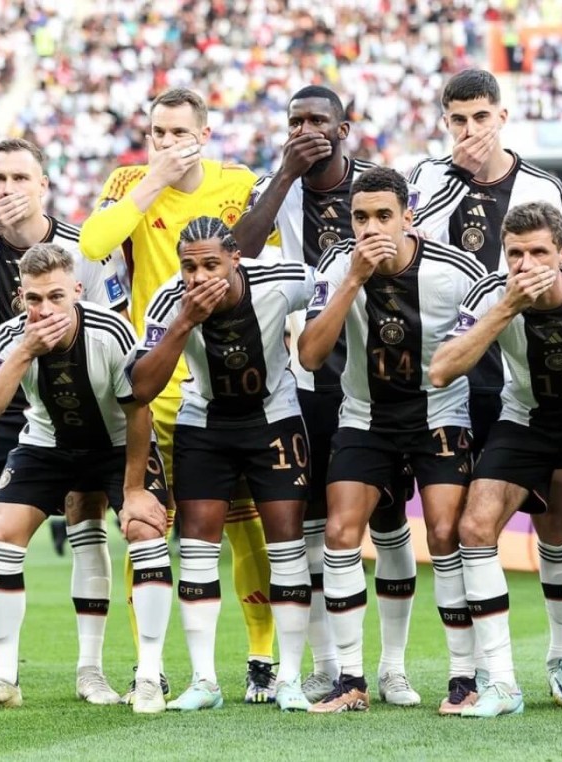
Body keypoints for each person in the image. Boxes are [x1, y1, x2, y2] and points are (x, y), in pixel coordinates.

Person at [78, 88, 277, 702]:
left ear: (205, 133)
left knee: (247, 529)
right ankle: (151, 665)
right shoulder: (128, 182)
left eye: (177, 133)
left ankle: (262, 657)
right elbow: (92, 243)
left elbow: (265, 266)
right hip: (155, 383)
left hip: (226, 383)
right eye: (156, 133)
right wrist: (151, 182)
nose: (164, 144)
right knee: (148, 529)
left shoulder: (239, 182)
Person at [0, 138, 128, 707]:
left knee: (84, 516)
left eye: (19, 178)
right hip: (8, 385)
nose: (7, 189)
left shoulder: (82, 246)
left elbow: (116, 317)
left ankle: (90, 669)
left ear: (44, 186)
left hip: (72, 394)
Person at [232, 85, 419, 705]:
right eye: (295, 121)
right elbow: (240, 253)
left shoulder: (378, 186)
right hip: (309, 375)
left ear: (346, 126)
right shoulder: (275, 186)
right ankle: (329, 663)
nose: (306, 129)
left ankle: (392, 665)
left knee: (390, 518)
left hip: (381, 369)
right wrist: (285, 172)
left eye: (318, 120)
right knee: (318, 526)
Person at [429, 202, 562, 719]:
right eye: (515, 254)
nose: (526, 264)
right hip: (528, 417)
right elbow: (441, 368)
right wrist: (505, 307)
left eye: (539, 253)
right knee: (475, 526)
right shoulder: (490, 293)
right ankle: (503, 684)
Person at [410, 69, 562, 707]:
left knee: (552, 511)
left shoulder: (539, 185)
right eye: (457, 120)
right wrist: (448, 186)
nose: (469, 132)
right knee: (458, 521)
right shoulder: (428, 178)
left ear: (501, 116)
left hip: (523, 369)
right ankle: (475, 669)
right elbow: (412, 249)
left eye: (479, 118)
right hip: (456, 366)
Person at [298, 167, 484, 714]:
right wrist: (352, 280)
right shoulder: (335, 268)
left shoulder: (456, 270)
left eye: (384, 215)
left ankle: (462, 677)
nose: (372, 227)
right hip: (365, 417)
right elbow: (310, 356)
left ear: (409, 216)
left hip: (439, 414)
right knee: (339, 531)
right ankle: (351, 678)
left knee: (446, 532)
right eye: (361, 217)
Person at [0, 244, 172, 714]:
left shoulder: (111, 330)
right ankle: (4, 677)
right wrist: (25, 351)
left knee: (143, 530)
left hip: (117, 444)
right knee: (2, 534)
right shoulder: (10, 338)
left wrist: (134, 490)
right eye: (35, 299)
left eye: (56, 297)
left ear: (76, 291)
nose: (46, 309)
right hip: (48, 443)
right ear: (21, 298)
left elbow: (138, 412)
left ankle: (147, 676)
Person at [129, 216, 314, 712]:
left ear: (237, 258)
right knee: (196, 547)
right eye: (189, 266)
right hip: (204, 422)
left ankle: (291, 678)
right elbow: (142, 387)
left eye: (211, 263)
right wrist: (185, 321)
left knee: (286, 545)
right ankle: (205, 680)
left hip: (274, 420)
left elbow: (329, 286)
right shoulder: (170, 300)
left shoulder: (281, 280)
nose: (199, 276)